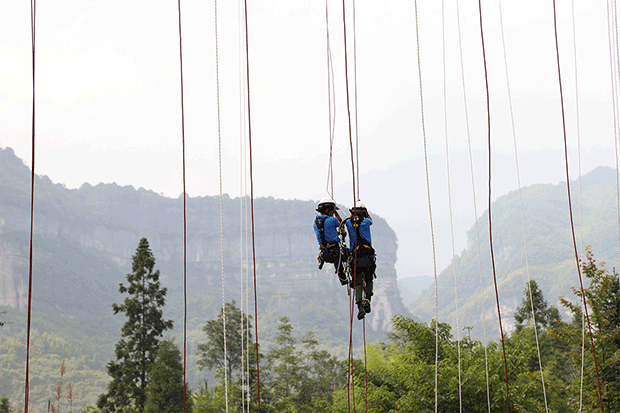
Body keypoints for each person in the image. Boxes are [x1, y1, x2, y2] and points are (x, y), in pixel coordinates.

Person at [342, 201, 376, 320]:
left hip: (355, 258)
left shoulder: (349, 223)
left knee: (357, 283)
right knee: (369, 278)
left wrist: (352, 215)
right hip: (367, 257)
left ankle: (360, 307)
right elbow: (370, 218)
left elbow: (345, 221)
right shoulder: (366, 222)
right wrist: (364, 212)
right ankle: (368, 299)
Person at [313, 197, 348, 286]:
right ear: (328, 209)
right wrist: (337, 213)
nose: (333, 213)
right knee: (351, 255)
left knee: (337, 258)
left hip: (325, 255)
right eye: (332, 211)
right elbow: (341, 223)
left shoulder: (315, 223)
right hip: (336, 253)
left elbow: (326, 233)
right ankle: (353, 279)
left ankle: (343, 280)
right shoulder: (332, 220)